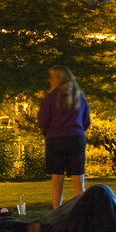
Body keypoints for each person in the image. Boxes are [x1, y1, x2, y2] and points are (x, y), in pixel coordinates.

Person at [38, 65, 91, 209]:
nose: (49, 80)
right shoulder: (79, 97)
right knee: (78, 178)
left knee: (57, 179)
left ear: (58, 79)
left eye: (51, 76)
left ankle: (57, 211)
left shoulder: (50, 98)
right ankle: (79, 212)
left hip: (56, 139)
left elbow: (43, 121)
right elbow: (86, 120)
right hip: (76, 138)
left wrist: (48, 133)